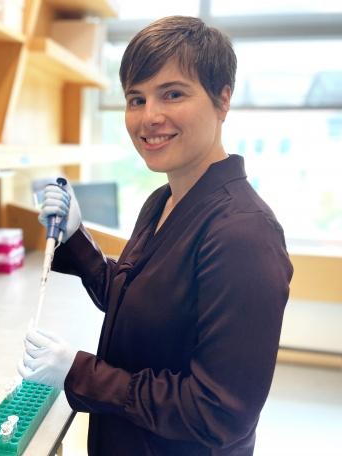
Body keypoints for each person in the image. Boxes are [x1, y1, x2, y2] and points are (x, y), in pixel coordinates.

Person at [18, 16, 293, 455]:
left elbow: (219, 412)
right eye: (135, 98)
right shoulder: (163, 200)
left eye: (173, 94)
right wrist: (75, 236)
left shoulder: (244, 234)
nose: (149, 118)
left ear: (223, 100)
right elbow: (135, 302)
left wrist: (79, 373)